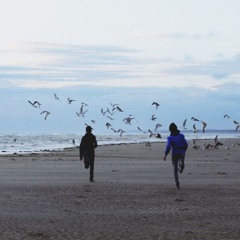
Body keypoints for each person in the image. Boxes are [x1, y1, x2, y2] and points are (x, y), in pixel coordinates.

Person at [163, 123, 188, 189]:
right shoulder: (182, 136)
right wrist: (184, 151)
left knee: (175, 169)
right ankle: (181, 165)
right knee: (181, 162)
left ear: (170, 130)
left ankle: (177, 183)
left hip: (175, 154)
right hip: (182, 153)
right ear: (176, 128)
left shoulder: (170, 138)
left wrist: (165, 154)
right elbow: (186, 144)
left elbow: (168, 146)